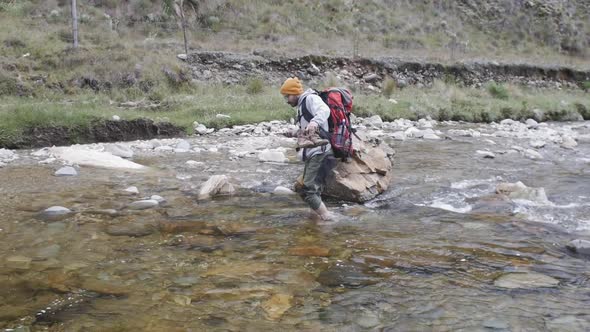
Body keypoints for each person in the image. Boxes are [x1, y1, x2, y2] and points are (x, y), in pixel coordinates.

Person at [280, 77, 335, 221]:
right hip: (313, 152)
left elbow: (325, 110)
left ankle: (327, 218)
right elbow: (306, 130)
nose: (287, 100)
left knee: (307, 189)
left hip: (320, 151)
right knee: (313, 189)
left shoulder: (310, 99)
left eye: (288, 96)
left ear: (296, 92)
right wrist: (294, 132)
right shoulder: (301, 106)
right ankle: (314, 217)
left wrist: (315, 122)